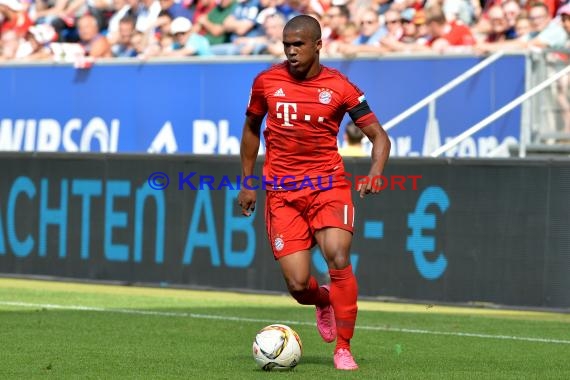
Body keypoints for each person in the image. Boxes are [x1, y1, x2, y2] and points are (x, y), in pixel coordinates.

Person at [237, 15, 390, 370]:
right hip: (282, 193)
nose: (291, 51)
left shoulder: (340, 87)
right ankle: (323, 301)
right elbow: (250, 129)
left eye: (298, 44)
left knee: (337, 255)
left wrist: (376, 173)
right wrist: (247, 181)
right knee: (297, 285)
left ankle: (343, 348)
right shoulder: (265, 82)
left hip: (327, 186)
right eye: (286, 44)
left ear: (318, 45)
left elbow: (379, 136)